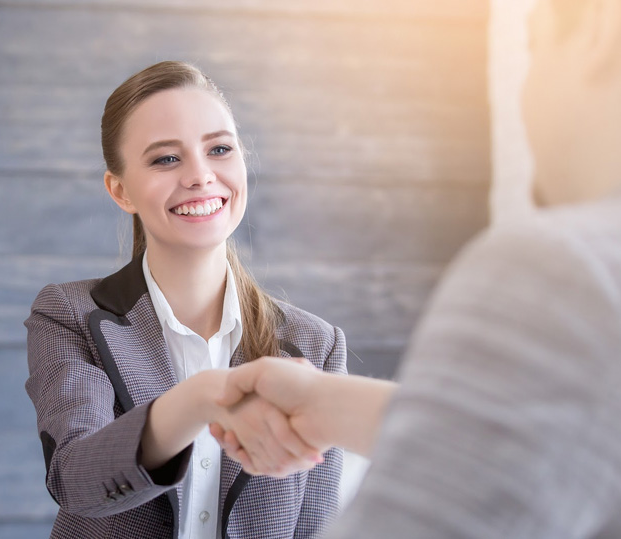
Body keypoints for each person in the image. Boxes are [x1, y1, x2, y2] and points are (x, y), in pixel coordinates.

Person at [215, 0, 621, 536]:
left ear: (595, 28)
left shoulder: (562, 271)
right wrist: (322, 403)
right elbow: (532, 437)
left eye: (534, 49)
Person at [24, 60, 350, 539]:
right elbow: (78, 481)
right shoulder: (69, 315)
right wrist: (202, 397)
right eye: (165, 159)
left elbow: (314, 529)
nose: (201, 176)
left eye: (219, 149)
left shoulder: (315, 344)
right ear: (121, 190)